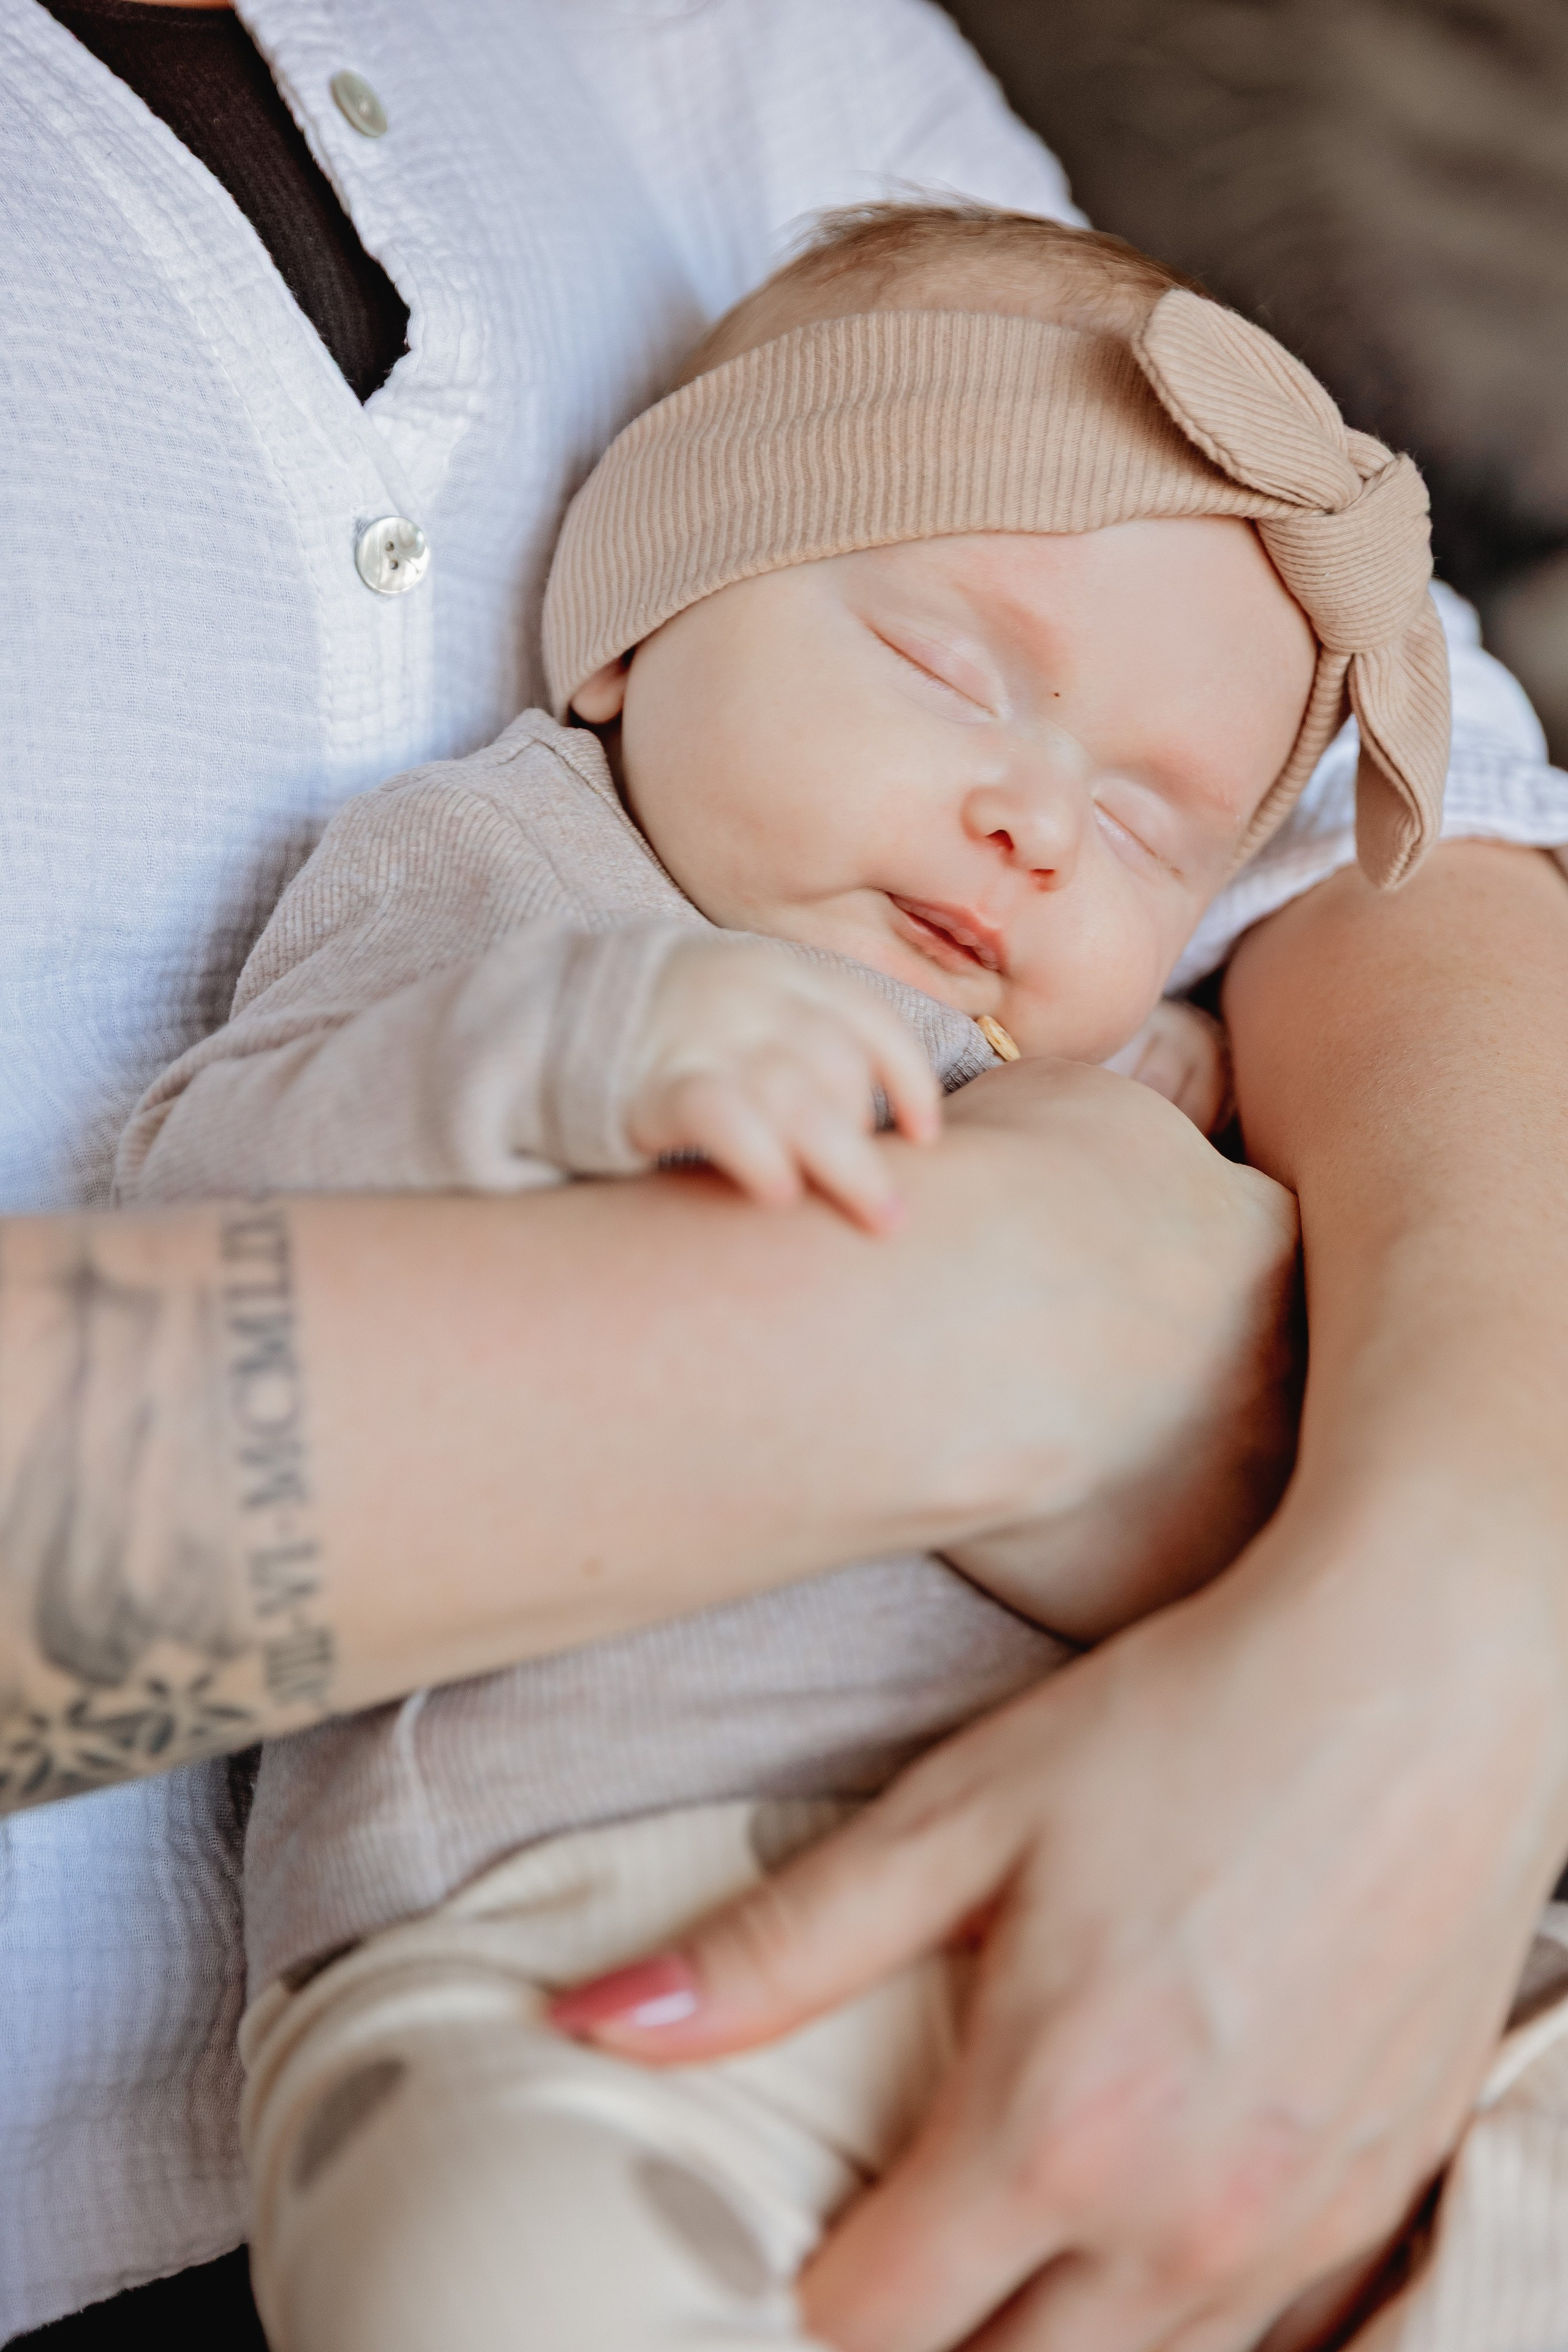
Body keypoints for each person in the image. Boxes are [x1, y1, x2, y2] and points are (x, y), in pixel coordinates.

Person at [3, 3, 1567, 2348]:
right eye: (953, 667)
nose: (1043, 813)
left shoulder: (712, 36)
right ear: (630, 633)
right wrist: (641, 1076)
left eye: (1147, 824)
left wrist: (1434, 1620)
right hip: (584, 1960)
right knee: (492, 2271)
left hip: (1169, 1886)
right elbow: (229, 1154)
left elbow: (1448, 868)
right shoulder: (513, 884)